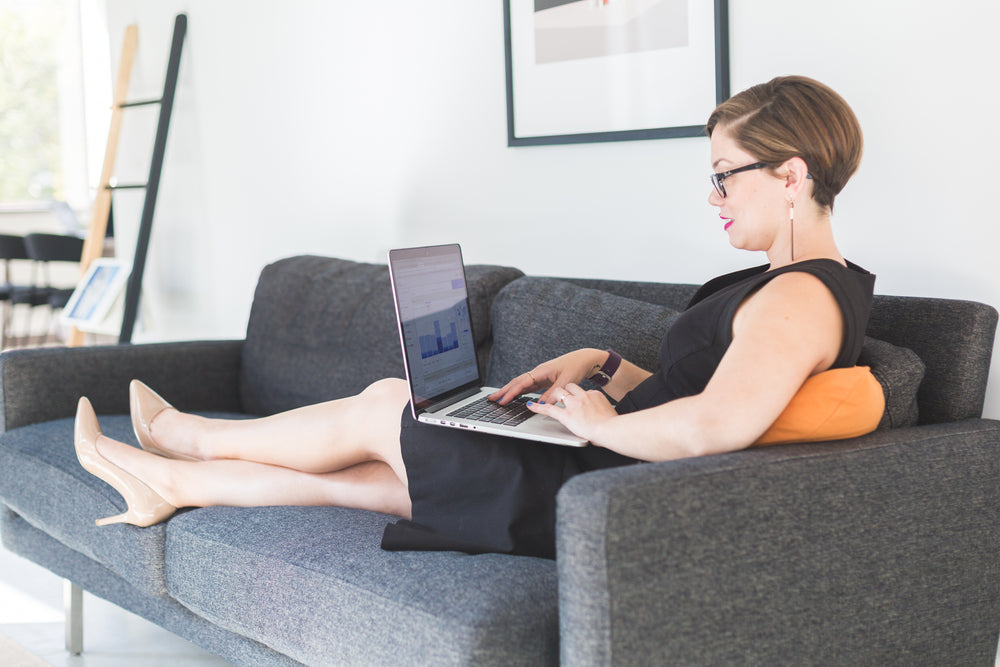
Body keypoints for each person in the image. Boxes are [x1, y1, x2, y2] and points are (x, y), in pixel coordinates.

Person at [74, 75, 874, 559]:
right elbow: (691, 389)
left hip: (600, 488)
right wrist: (601, 364)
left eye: (725, 177)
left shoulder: (802, 297)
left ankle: (188, 436)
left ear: (792, 174)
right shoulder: (783, 284)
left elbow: (711, 430)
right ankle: (170, 480)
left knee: (393, 402)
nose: (715, 197)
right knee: (370, 484)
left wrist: (593, 422)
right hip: (600, 466)